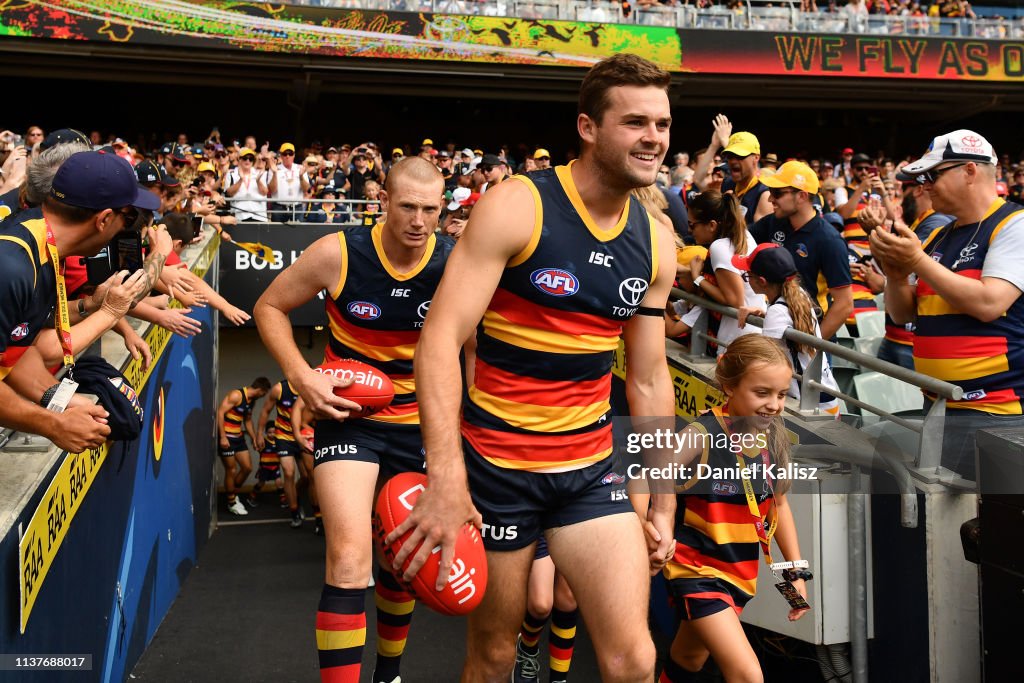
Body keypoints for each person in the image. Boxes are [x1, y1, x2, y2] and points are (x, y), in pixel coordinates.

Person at [388, 53, 678, 682]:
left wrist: (662, 501)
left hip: (589, 474)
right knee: (492, 658)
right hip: (497, 474)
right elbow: (439, 341)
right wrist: (445, 477)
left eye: (661, 122)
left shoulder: (657, 242)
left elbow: (650, 379)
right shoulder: (519, 206)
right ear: (588, 127)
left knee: (634, 659)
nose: (654, 136)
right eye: (635, 122)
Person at [253, 157, 458, 683]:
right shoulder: (338, 253)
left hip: (422, 425)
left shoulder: (457, 262)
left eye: (430, 209)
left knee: (399, 561)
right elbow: (270, 306)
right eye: (407, 206)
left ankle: (387, 673)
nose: (418, 220)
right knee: (349, 558)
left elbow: (474, 350)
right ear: (383, 201)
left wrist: (464, 431)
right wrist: (301, 375)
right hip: (351, 416)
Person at [870, 130, 1024, 480]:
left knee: (995, 524)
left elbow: (989, 303)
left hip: (996, 413)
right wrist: (896, 276)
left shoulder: (1015, 224)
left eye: (932, 176)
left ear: (969, 171)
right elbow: (904, 314)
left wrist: (917, 261)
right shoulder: (942, 234)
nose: (923, 187)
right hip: (940, 406)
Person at [661, 334, 810, 683]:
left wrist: (796, 571)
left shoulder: (773, 437)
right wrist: (654, 524)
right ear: (728, 386)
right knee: (747, 675)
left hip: (739, 573)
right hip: (696, 571)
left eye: (781, 394)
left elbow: (779, 506)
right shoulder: (702, 432)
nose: (774, 405)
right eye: (762, 393)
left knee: (689, 657)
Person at [0, 150, 158, 453]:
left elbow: (13, 351)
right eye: (129, 218)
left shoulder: (40, 243)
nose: (129, 228)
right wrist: (51, 424)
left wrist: (61, 399)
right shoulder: (13, 265)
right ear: (105, 219)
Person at [750, 161, 853, 341]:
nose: (770, 199)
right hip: (776, 327)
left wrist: (811, 344)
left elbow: (844, 304)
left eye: (777, 193)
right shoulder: (772, 222)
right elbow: (737, 240)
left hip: (809, 337)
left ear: (802, 196)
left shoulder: (829, 240)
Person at [733, 244, 842, 415]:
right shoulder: (798, 293)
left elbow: (767, 361)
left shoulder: (777, 311)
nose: (746, 279)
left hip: (807, 402)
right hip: (824, 395)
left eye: (748, 275)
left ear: (762, 281)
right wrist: (764, 314)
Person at [513, 540, 579, 683]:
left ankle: (559, 679)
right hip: (540, 522)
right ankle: (526, 647)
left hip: (575, 522)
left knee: (568, 598)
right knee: (540, 605)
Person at [216, 377, 271, 515]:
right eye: (264, 394)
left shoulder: (251, 402)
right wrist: (222, 437)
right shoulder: (236, 395)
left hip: (238, 438)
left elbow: (247, 421)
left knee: (247, 468)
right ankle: (231, 502)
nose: (263, 396)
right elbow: (220, 413)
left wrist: (253, 438)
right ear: (260, 390)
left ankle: (232, 494)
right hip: (226, 437)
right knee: (232, 470)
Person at [255, 379, 304, 527]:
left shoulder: (308, 388)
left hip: (303, 435)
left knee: (308, 477)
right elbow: (265, 411)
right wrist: (259, 434)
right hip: (283, 436)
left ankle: (295, 496)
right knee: (288, 473)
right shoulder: (279, 389)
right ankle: (294, 511)